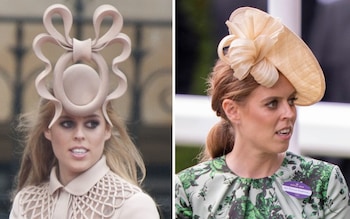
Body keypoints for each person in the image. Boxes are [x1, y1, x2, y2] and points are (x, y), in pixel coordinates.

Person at [175, 7, 350, 218]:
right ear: (232, 110)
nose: (289, 113)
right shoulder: (188, 189)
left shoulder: (323, 181)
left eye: (291, 101)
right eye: (272, 103)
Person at [10, 4, 159, 219]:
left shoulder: (134, 206)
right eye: (67, 123)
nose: (79, 135)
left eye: (91, 124)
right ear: (47, 129)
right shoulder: (25, 204)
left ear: (107, 129)